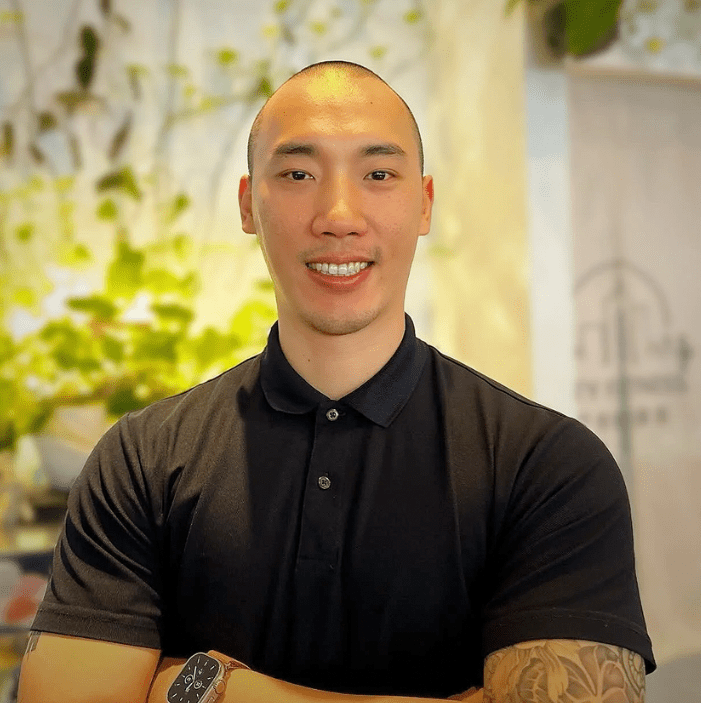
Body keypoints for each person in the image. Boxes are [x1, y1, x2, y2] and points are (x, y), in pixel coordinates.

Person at [18, 61, 655, 703]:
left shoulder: (548, 467)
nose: (339, 215)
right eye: (298, 174)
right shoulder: (141, 461)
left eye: (378, 175)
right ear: (248, 204)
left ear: (424, 203)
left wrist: (210, 691)